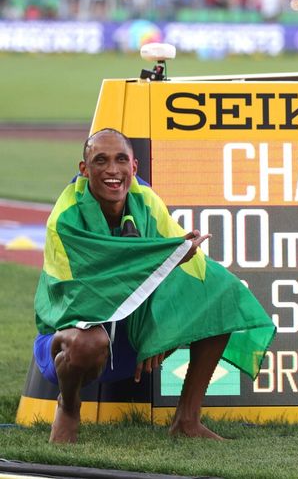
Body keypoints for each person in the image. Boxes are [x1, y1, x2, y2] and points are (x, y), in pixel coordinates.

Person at [33, 128, 275, 443]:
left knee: (221, 291)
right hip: (70, 340)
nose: (112, 170)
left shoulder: (146, 200)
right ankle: (68, 405)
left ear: (134, 167)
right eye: (100, 160)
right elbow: (79, 295)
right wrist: (152, 310)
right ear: (84, 169)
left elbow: (170, 261)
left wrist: (157, 327)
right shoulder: (64, 217)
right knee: (87, 343)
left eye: (121, 160)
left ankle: (187, 419)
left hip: (129, 332)